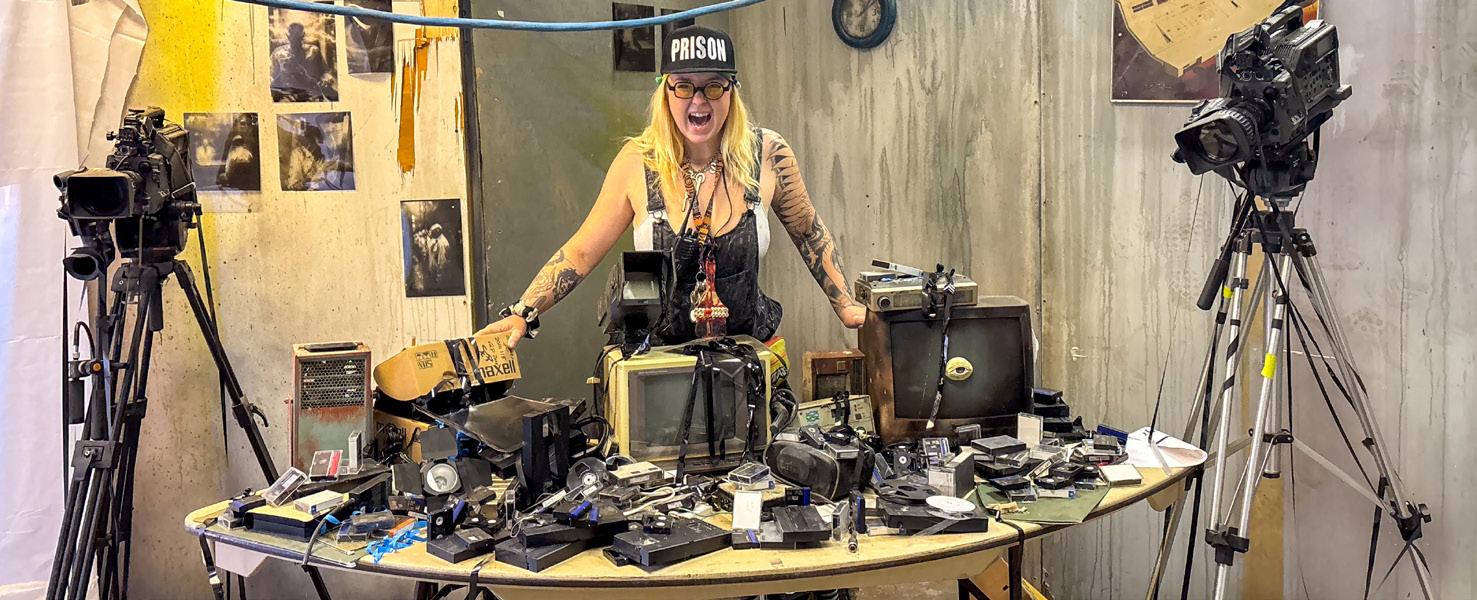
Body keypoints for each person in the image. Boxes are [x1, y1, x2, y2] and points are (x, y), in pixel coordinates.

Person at [480, 26, 864, 348]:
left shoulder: (767, 153)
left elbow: (808, 232)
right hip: (660, 368)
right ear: (665, 91)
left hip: (746, 359)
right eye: (683, 86)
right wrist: (523, 312)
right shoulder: (637, 161)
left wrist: (846, 306)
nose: (698, 101)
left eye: (713, 87)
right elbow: (581, 251)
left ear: (732, 90)